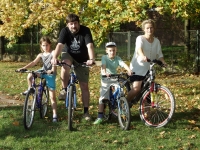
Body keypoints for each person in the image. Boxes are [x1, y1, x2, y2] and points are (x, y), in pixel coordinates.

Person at [51, 13, 95, 121]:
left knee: (84, 86)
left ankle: (86, 112)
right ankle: (64, 90)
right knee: (65, 64)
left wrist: (92, 59)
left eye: (75, 23)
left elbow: (90, 46)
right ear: (67, 25)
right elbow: (60, 45)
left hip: (82, 58)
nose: (73, 26)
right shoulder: (64, 31)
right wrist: (54, 57)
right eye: (71, 24)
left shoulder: (85, 30)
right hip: (69, 54)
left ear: (78, 23)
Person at [17, 36, 58, 122]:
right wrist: (24, 68)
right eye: (43, 45)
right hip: (43, 71)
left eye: (46, 45)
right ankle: (30, 90)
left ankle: (55, 115)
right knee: (30, 75)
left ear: (50, 45)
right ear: (41, 46)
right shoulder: (41, 54)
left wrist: (52, 70)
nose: (45, 47)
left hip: (50, 74)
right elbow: (33, 62)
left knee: (52, 97)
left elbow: (55, 62)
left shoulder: (53, 52)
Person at [127, 19, 167, 105]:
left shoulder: (156, 41)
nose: (149, 30)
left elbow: (159, 55)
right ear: (144, 29)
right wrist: (142, 56)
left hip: (149, 69)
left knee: (149, 91)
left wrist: (163, 62)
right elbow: (139, 49)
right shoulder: (140, 38)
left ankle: (146, 114)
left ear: (154, 28)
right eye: (147, 28)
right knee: (137, 89)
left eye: (151, 28)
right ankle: (124, 104)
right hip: (138, 67)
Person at [93, 42, 132, 125]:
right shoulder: (104, 58)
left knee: (120, 91)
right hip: (106, 79)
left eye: (114, 50)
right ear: (106, 51)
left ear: (116, 50)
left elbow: (123, 64)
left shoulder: (117, 58)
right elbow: (103, 66)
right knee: (102, 98)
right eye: (110, 50)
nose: (112, 52)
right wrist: (104, 72)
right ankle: (100, 116)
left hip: (114, 78)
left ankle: (121, 109)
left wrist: (128, 70)